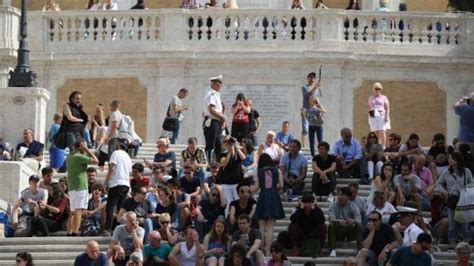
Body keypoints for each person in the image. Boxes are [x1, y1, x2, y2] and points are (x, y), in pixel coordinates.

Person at [436, 152, 473, 247]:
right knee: (452, 223)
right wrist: (444, 191)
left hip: (463, 199)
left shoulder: (466, 171)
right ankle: (452, 242)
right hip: (451, 199)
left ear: (457, 160)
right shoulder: (446, 172)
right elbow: (439, 183)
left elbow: (472, 183)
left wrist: (465, 188)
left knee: (464, 223)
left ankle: (466, 241)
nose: (449, 160)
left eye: (451, 158)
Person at [253, 153, 285, 255]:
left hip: (262, 196)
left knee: (261, 227)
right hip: (274, 196)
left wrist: (250, 191)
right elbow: (281, 185)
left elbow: (256, 188)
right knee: (271, 227)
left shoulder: (259, 172)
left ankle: (260, 250)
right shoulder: (277, 170)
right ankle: (268, 251)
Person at [65, 139, 98, 236]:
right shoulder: (79, 156)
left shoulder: (70, 156)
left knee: (72, 211)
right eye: (85, 145)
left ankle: (69, 232)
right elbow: (96, 161)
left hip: (72, 186)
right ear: (81, 146)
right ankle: (75, 232)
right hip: (80, 186)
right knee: (78, 210)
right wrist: (87, 150)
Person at [104, 142, 132, 234]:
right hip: (126, 184)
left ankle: (108, 228)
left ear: (118, 146)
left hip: (116, 183)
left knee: (110, 206)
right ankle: (120, 228)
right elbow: (129, 172)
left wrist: (106, 182)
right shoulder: (128, 157)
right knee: (121, 208)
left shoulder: (116, 153)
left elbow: (112, 168)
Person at [327, 187, 362, 257]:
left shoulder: (353, 205)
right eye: (338, 195)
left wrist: (353, 221)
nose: (339, 197)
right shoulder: (333, 205)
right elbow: (331, 218)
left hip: (350, 230)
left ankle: (359, 250)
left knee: (358, 225)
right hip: (339, 231)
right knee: (331, 226)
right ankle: (333, 250)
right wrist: (339, 221)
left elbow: (358, 218)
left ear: (348, 197)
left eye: (342, 195)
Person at [288, 193, 326, 257]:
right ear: (302, 203)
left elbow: (322, 220)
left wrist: (314, 209)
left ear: (313, 203)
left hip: (313, 233)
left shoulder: (317, 210)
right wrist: (300, 208)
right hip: (301, 233)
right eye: (305, 202)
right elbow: (293, 219)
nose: (307, 204)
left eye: (310, 202)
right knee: (293, 226)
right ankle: (295, 249)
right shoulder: (298, 210)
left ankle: (319, 249)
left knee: (323, 226)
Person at [203, 75, 226, 164]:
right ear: (215, 84)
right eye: (219, 84)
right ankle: (209, 163)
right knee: (211, 144)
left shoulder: (216, 95)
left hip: (216, 122)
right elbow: (211, 109)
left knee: (218, 145)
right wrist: (222, 117)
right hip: (212, 121)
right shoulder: (212, 94)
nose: (220, 86)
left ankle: (218, 163)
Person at [219, 136, 244, 212]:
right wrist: (229, 153)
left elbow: (243, 158)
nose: (228, 143)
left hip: (237, 183)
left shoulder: (238, 153)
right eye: (226, 141)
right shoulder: (223, 154)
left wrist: (236, 147)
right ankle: (228, 219)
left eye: (229, 142)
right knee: (230, 203)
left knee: (238, 201)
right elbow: (223, 164)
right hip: (226, 184)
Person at [300, 72, 321, 147]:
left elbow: (316, 100)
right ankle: (303, 146)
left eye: (313, 77)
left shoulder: (317, 90)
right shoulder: (304, 87)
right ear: (308, 78)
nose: (312, 79)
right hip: (306, 110)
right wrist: (315, 87)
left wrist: (319, 110)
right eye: (310, 77)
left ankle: (312, 146)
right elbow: (307, 95)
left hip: (314, 112)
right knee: (305, 129)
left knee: (314, 128)